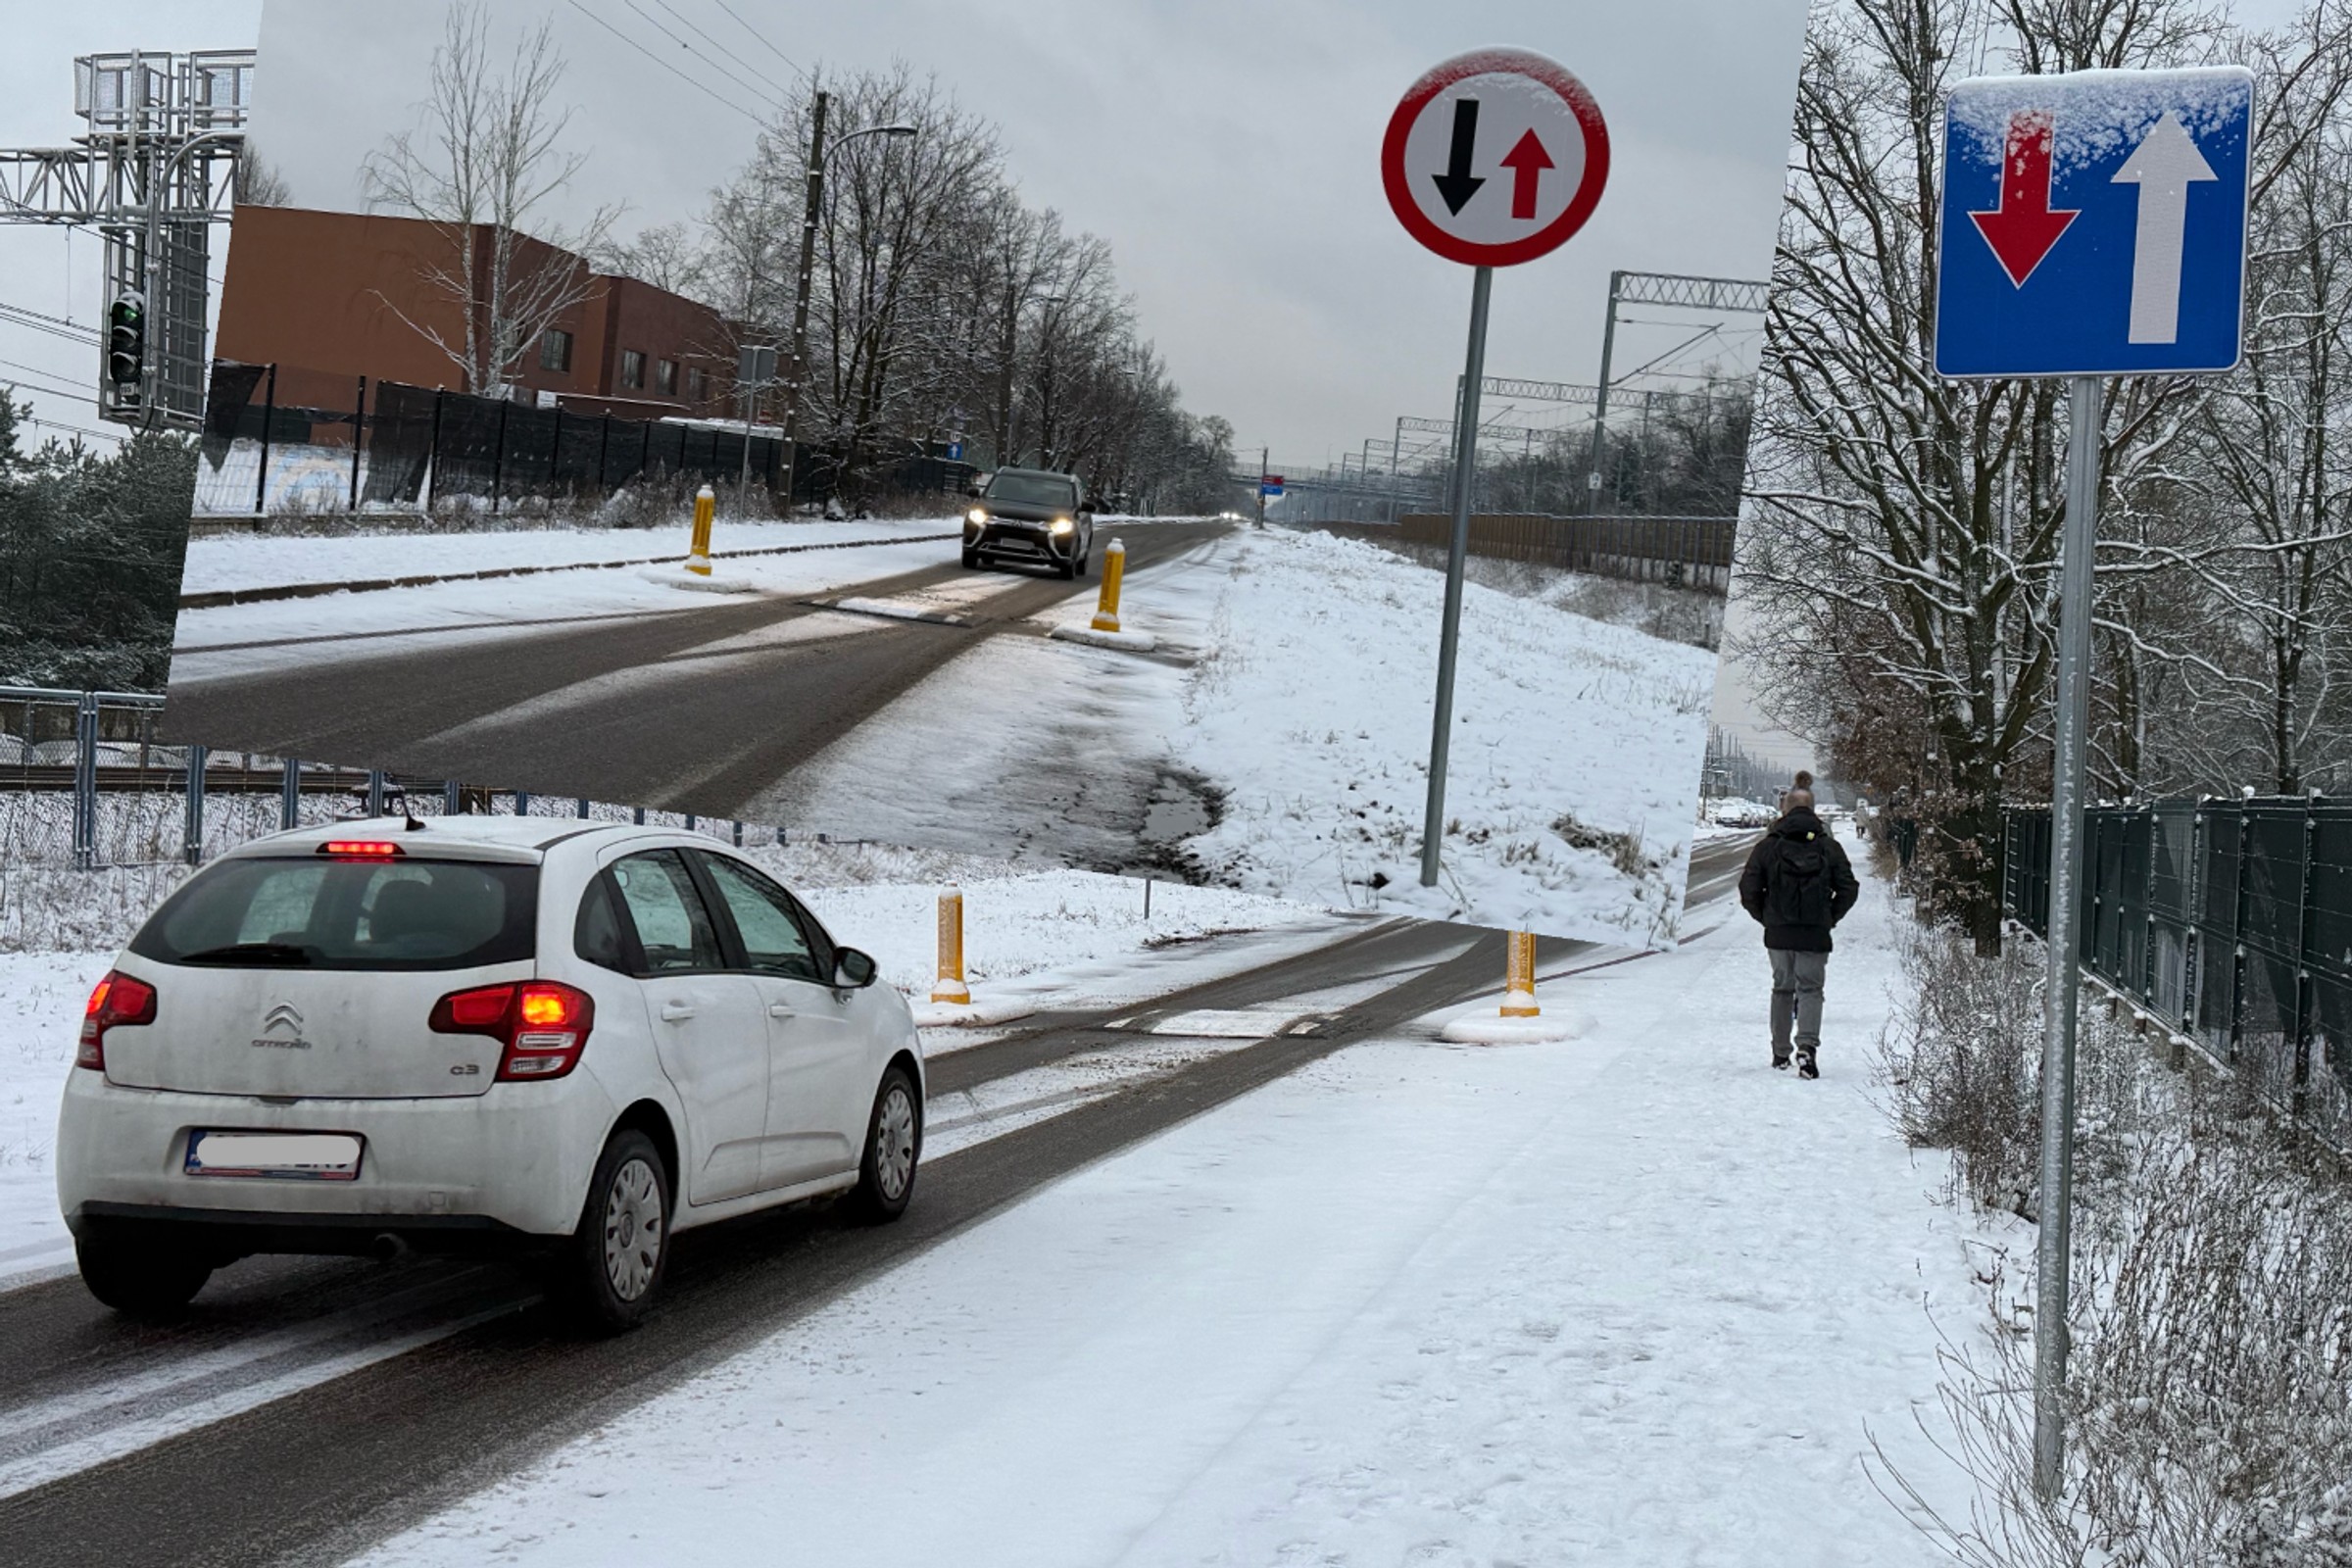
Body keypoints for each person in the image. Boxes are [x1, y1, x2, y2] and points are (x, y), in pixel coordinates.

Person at [1738, 786, 1859, 1078]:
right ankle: (1807, 1047)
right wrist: (1830, 917)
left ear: (1784, 809)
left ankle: (1780, 1053)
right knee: (1811, 989)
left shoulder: (1768, 846)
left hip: (1778, 933)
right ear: (1813, 810)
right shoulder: (1828, 847)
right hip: (1815, 933)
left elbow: (1748, 889)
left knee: (1782, 989)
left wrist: (1767, 917)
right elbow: (1848, 888)